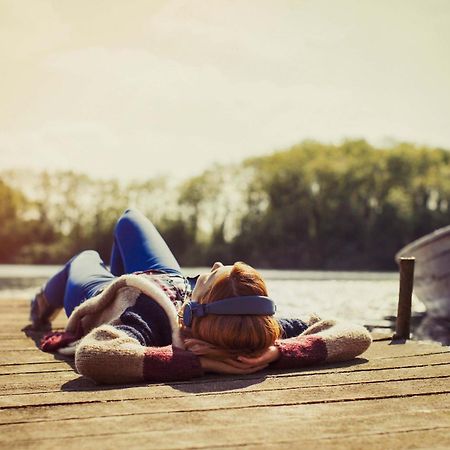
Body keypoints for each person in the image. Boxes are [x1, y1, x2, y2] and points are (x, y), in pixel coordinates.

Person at [29, 208, 372, 384]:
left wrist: (201, 363)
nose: (216, 262)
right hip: (163, 277)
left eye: (213, 275)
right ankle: (120, 273)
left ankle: (43, 301)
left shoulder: (148, 320)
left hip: (113, 297)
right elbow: (355, 333)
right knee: (129, 219)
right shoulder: (252, 331)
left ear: (197, 308)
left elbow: (94, 355)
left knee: (85, 258)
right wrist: (275, 351)